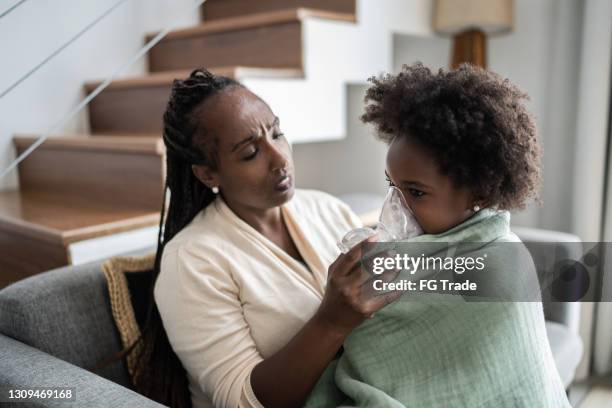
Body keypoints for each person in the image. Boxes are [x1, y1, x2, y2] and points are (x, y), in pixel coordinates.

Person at [304, 62, 571, 407]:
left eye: (415, 192)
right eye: (391, 186)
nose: (396, 207)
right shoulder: (419, 250)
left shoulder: (499, 259)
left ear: (480, 193)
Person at [131, 69, 403, 408]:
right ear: (208, 174)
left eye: (277, 133)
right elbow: (240, 401)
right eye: (249, 153)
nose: (279, 158)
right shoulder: (191, 261)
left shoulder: (326, 208)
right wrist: (332, 321)